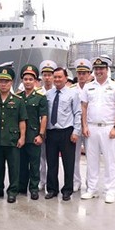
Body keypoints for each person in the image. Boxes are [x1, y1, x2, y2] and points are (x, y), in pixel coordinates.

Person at [79, 56, 115, 204]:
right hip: (91, 128)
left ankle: (110, 190)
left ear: (107, 70)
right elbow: (84, 107)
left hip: (108, 128)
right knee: (91, 160)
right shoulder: (88, 86)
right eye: (96, 69)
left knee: (110, 160)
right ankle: (91, 189)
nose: (99, 71)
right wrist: (85, 126)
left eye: (101, 69)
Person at [0, 66, 27, 203]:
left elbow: (22, 120)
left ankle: (12, 191)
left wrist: (22, 137)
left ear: (11, 83)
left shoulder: (18, 100)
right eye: (1, 81)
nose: (3, 84)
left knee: (13, 167)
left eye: (6, 81)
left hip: (12, 140)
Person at [45, 67, 81, 201]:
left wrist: (76, 131)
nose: (57, 79)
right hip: (51, 133)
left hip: (67, 132)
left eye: (60, 77)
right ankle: (52, 189)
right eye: (55, 77)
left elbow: (77, 113)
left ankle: (67, 190)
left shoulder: (73, 94)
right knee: (51, 162)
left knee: (68, 163)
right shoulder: (48, 94)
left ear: (66, 78)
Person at [16, 64, 48, 200]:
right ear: (22, 80)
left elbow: (44, 117)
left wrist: (41, 135)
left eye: (31, 79)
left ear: (35, 81)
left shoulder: (40, 97)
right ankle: (21, 186)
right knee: (21, 163)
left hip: (34, 135)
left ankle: (33, 188)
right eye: (25, 79)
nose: (28, 81)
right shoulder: (18, 97)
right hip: (20, 136)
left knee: (34, 164)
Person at [72, 58, 93, 192]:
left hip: (90, 125)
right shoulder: (71, 89)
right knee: (74, 157)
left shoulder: (94, 88)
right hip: (76, 126)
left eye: (84, 73)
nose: (81, 76)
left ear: (89, 74)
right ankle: (76, 181)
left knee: (91, 156)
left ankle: (90, 183)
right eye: (79, 73)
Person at [37, 59, 57, 191]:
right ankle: (41, 181)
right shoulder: (38, 92)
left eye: (50, 75)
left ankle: (51, 182)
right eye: (45, 75)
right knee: (41, 157)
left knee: (52, 158)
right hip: (40, 129)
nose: (47, 78)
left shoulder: (58, 91)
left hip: (54, 129)